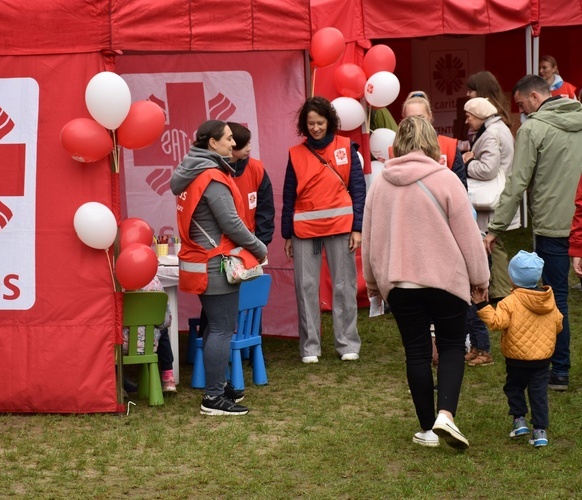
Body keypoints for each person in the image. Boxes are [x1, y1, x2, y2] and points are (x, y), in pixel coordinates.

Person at [362, 115, 490, 450]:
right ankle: (445, 414)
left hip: (400, 283)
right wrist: (480, 278)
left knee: (416, 353)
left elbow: (371, 239)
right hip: (446, 280)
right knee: (450, 346)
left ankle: (427, 429)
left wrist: (372, 281)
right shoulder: (446, 180)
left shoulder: (380, 183)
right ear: (432, 141)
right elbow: (469, 236)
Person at [484, 74, 582, 392]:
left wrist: (495, 227)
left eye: (522, 104)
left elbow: (516, 184)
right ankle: (561, 371)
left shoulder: (533, 128)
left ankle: (561, 371)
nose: (521, 110)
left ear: (536, 98)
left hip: (553, 226)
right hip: (572, 220)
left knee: (557, 299)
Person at [170, 119, 267, 416]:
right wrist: (259, 247)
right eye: (227, 139)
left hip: (200, 262)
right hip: (215, 263)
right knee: (223, 329)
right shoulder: (212, 175)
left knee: (216, 327)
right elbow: (231, 223)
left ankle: (218, 386)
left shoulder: (191, 171)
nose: (232, 144)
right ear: (212, 144)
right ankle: (213, 398)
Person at [281, 96, 365, 364]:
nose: (316, 127)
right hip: (304, 230)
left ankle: (347, 343)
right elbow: (288, 196)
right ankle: (310, 347)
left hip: (341, 226)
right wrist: (287, 234)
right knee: (305, 287)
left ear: (329, 121)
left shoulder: (345, 147)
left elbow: (358, 190)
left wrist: (358, 228)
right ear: (304, 125)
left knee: (344, 285)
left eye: (320, 122)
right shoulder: (295, 153)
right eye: (311, 123)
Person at [473, 251, 563, 448]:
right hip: (542, 360)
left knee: (514, 387)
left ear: (512, 278)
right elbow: (558, 324)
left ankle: (519, 420)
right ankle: (540, 432)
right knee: (538, 394)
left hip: (516, 359)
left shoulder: (509, 302)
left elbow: (497, 323)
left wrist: (482, 306)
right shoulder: (549, 300)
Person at [462, 97, 518, 304]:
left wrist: (467, 163)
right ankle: (499, 288)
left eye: (468, 116)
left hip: (492, 197)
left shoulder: (491, 133)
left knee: (493, 243)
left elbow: (488, 169)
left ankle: (500, 290)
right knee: (495, 243)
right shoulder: (498, 128)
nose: (467, 121)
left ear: (479, 115)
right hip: (499, 195)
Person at [401, 91, 467, 188]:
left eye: (420, 117)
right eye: (411, 118)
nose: (416, 123)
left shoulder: (449, 146)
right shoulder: (395, 150)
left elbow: (461, 190)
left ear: (430, 116)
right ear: (403, 119)